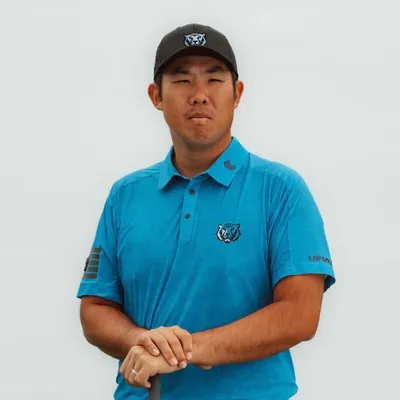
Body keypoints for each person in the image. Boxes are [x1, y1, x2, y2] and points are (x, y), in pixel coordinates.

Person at [77, 23, 336, 400]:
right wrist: (141, 341)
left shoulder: (281, 189)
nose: (199, 95)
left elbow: (300, 314)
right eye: (182, 80)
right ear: (156, 96)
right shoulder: (125, 195)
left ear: (237, 93)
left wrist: (186, 350)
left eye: (214, 79)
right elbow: (96, 308)